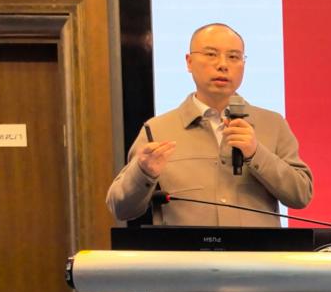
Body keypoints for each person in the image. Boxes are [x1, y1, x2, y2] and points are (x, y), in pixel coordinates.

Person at [106, 23, 313, 227]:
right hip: (187, 251)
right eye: (211, 54)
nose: (223, 65)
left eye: (233, 57)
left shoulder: (273, 124)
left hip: (259, 250)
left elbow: (301, 195)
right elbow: (121, 208)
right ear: (189, 62)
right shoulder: (157, 129)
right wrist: (143, 173)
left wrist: (256, 153)